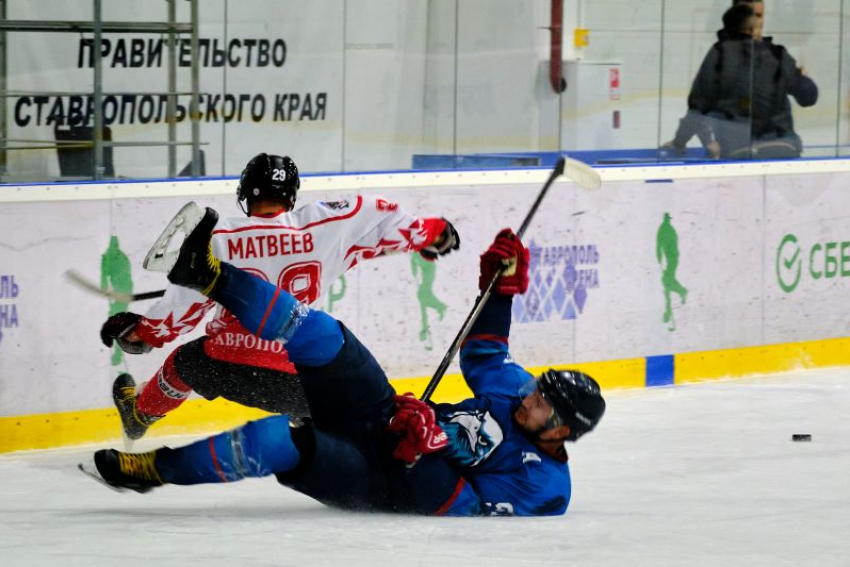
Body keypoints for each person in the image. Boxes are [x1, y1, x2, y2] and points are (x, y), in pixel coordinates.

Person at [82, 206, 606, 517]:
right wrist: (503, 289)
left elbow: (452, 510)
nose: (530, 397)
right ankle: (206, 273)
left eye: (542, 404)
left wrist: (417, 455)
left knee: (273, 441)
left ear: (560, 430)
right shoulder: (515, 393)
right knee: (322, 333)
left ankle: (151, 469)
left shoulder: (544, 488)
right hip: (386, 415)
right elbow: (486, 351)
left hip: (377, 479)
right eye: (538, 390)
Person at [99, 153, 460, 440]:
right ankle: (319, 436)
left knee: (184, 364)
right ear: (292, 194)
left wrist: (142, 335)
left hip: (230, 368)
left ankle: (140, 414)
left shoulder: (219, 238)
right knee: (327, 386)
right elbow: (384, 219)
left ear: (245, 194)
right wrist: (434, 235)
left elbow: (181, 311)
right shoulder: (325, 225)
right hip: (301, 378)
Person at [663, 1, 818, 160]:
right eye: (753, 16)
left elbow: (698, 107)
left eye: (759, 15)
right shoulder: (776, 55)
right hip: (781, 148)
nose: (759, 21)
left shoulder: (721, 54)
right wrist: (802, 78)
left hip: (742, 151)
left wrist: (679, 142)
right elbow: (809, 97)